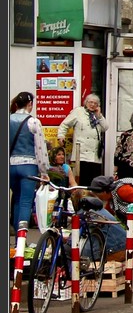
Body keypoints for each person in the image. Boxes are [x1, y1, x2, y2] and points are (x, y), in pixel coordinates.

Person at [10, 91, 49, 235]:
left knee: (16, 200)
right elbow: (40, 149)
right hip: (28, 167)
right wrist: (44, 171)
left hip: (10, 166)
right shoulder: (33, 122)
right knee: (26, 201)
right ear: (30, 105)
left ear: (16, 104)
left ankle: (14, 238)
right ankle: (21, 241)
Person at [58, 92, 108, 185]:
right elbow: (65, 124)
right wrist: (61, 136)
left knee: (93, 183)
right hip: (81, 154)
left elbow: (105, 127)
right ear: (86, 102)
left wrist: (99, 116)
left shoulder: (97, 116)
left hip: (94, 156)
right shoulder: (78, 112)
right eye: (90, 102)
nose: (92, 105)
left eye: (95, 103)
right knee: (82, 181)